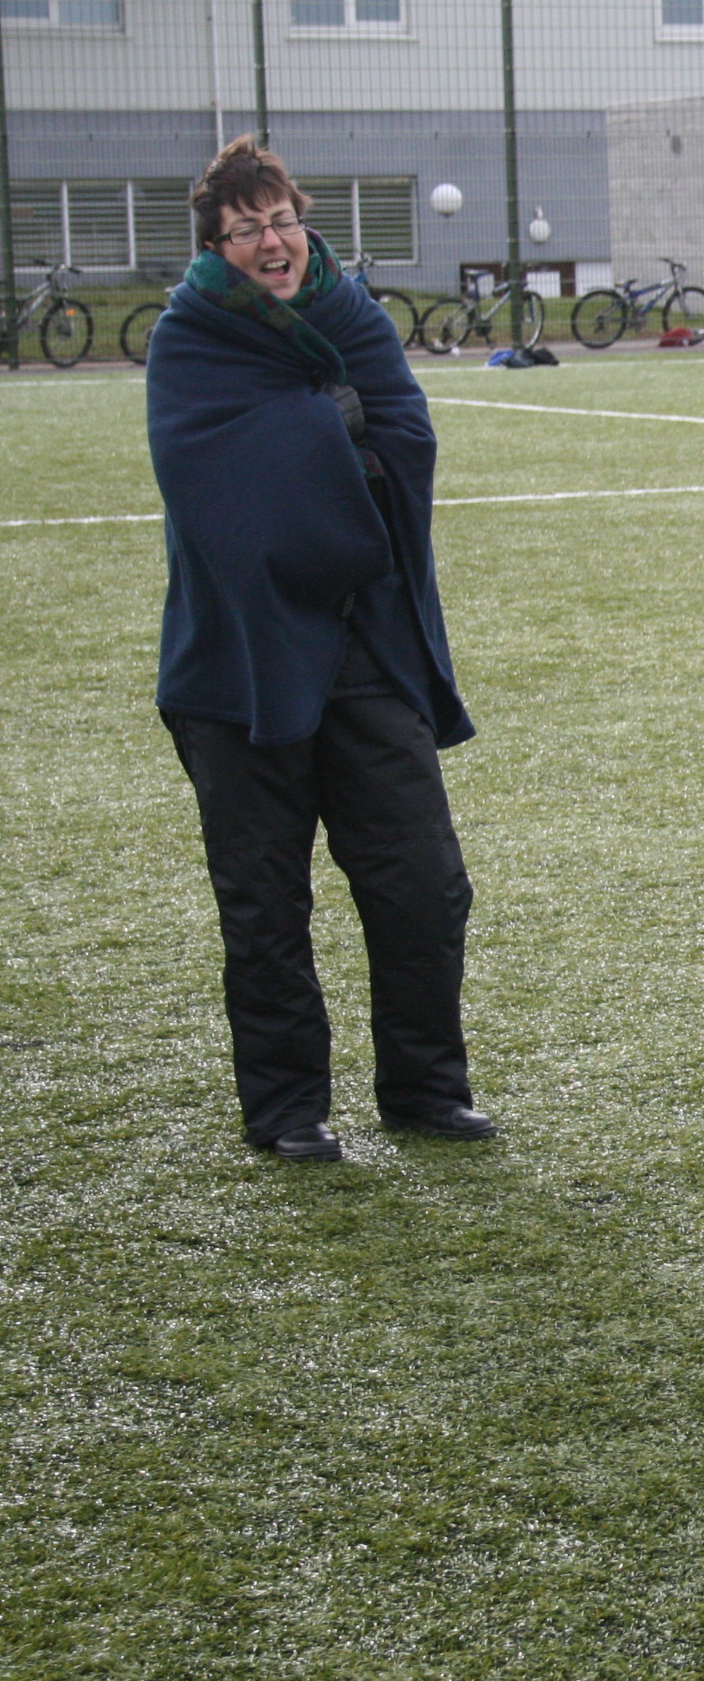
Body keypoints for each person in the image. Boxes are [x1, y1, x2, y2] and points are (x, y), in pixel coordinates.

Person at [145, 136, 491, 1164]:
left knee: (422, 881)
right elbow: (210, 479)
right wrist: (325, 428)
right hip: (240, 663)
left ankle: (426, 1090)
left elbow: (407, 440)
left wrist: (330, 441)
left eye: (283, 220)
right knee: (264, 903)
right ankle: (287, 1108)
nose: (273, 242)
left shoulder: (352, 316)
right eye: (246, 229)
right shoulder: (189, 339)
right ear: (215, 246)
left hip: (364, 647)